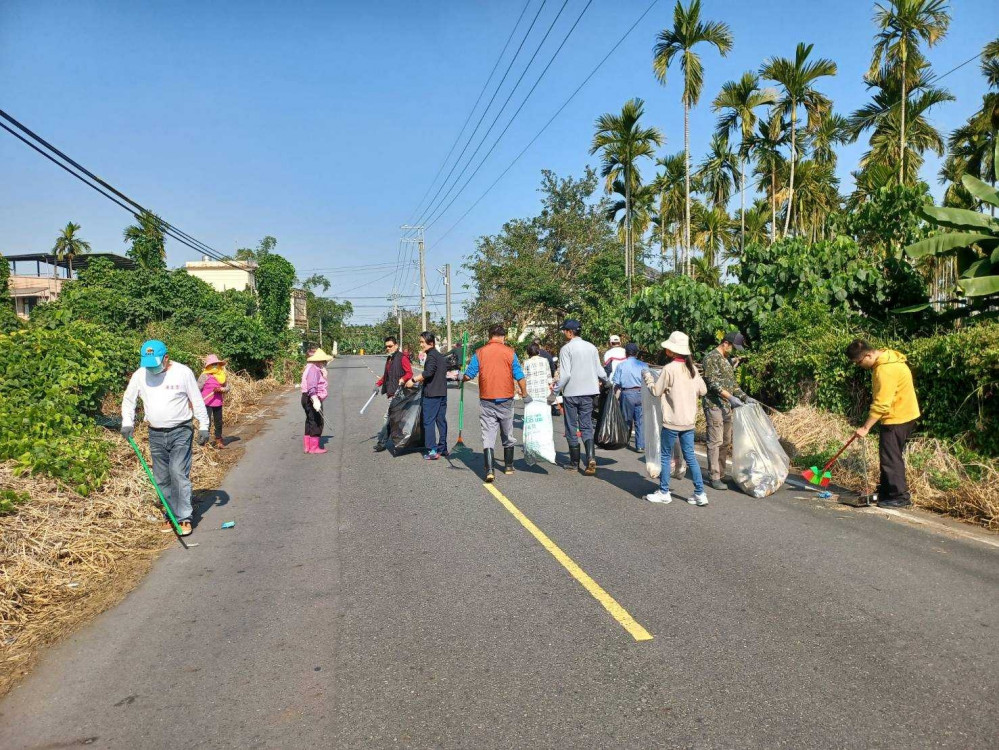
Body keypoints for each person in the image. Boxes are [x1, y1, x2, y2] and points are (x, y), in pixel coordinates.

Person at [121, 340, 209, 536]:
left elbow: (196, 399)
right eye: (148, 364)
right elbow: (129, 399)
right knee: (161, 478)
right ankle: (170, 515)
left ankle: (184, 517)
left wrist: (204, 425)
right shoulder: (140, 374)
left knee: (178, 472)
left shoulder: (182, 372)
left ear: (166, 358)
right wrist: (127, 422)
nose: (151, 368)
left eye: (155, 363)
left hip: (181, 430)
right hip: (155, 433)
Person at [846, 339, 921, 509]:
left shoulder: (885, 369)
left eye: (859, 362)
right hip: (906, 413)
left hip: (897, 417)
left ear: (868, 355)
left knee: (890, 457)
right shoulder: (889, 357)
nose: (859, 365)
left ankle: (899, 497)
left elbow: (882, 403)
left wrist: (865, 428)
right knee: (888, 454)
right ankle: (887, 492)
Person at [642, 331, 709, 506]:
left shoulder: (669, 369)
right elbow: (703, 391)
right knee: (691, 457)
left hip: (672, 421)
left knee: (665, 456)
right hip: (689, 421)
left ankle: (664, 491)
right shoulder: (692, 368)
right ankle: (700, 493)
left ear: (672, 351)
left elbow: (656, 391)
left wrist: (648, 379)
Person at [463, 324, 527, 482]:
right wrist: (524, 393)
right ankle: (509, 466)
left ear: (489, 335)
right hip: (506, 399)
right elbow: (519, 375)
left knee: (488, 435)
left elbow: (470, 374)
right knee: (507, 432)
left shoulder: (480, 352)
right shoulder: (510, 353)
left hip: (486, 400)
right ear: (503, 336)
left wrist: (461, 378)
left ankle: (490, 470)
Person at [553, 319, 610, 475]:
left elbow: (565, 375)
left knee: (571, 426)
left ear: (570, 332)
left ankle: (574, 462)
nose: (564, 333)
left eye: (565, 331)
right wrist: (608, 382)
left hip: (572, 393)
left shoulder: (566, 349)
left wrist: (554, 392)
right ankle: (591, 457)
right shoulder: (591, 347)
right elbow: (600, 371)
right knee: (586, 426)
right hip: (589, 393)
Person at [702, 331, 755, 490]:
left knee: (725, 441)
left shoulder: (726, 361)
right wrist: (730, 397)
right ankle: (714, 476)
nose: (733, 351)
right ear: (725, 343)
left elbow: (733, 385)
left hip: (726, 406)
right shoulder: (711, 358)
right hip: (714, 405)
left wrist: (745, 397)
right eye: (733, 347)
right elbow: (712, 383)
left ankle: (722, 473)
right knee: (715, 441)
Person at [412, 331, 448, 460]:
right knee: (441, 421)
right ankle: (443, 448)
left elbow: (428, 372)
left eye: (422, 342)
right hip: (442, 393)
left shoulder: (432, 356)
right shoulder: (440, 356)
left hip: (432, 394)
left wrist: (413, 380)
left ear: (430, 343)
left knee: (428, 422)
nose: (421, 344)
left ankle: (432, 450)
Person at [373, 336, 413, 452]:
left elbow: (409, 373)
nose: (388, 348)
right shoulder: (389, 359)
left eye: (390, 346)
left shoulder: (402, 358)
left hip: (399, 393)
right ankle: (402, 442)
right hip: (391, 392)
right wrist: (378, 384)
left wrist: (403, 379)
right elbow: (386, 375)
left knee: (388, 417)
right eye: (386, 347)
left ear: (396, 345)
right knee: (395, 418)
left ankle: (382, 443)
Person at [612, 342, 647, 452]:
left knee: (626, 419)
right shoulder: (643, 365)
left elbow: (616, 383)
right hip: (641, 393)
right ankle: (640, 446)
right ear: (636, 353)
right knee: (640, 421)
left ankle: (625, 441)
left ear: (626, 353)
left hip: (627, 394)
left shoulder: (621, 366)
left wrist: (615, 397)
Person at [301, 348, 332, 454]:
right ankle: (314, 448)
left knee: (309, 420)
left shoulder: (310, 367)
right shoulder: (313, 369)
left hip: (306, 397)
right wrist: (315, 399)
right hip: (312, 397)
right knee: (316, 421)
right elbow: (311, 385)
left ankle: (307, 447)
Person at [198, 354, 230, 449]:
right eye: (213, 364)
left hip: (218, 402)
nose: (215, 366)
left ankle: (218, 440)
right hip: (206, 402)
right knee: (206, 422)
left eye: (216, 364)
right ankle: (204, 443)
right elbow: (197, 388)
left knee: (218, 422)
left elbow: (228, 387)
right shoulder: (204, 375)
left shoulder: (221, 375)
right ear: (208, 366)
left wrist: (221, 389)